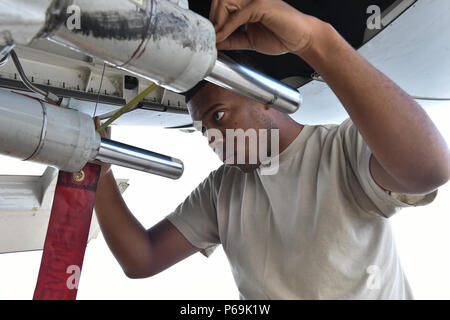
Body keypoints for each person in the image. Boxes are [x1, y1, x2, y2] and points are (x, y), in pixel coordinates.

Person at [94, 0, 450, 299]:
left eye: (219, 116)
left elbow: (428, 170)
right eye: (203, 130)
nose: (214, 138)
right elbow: (142, 259)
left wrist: (315, 40)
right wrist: (97, 169)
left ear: (264, 97)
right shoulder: (223, 191)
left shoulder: (339, 151)